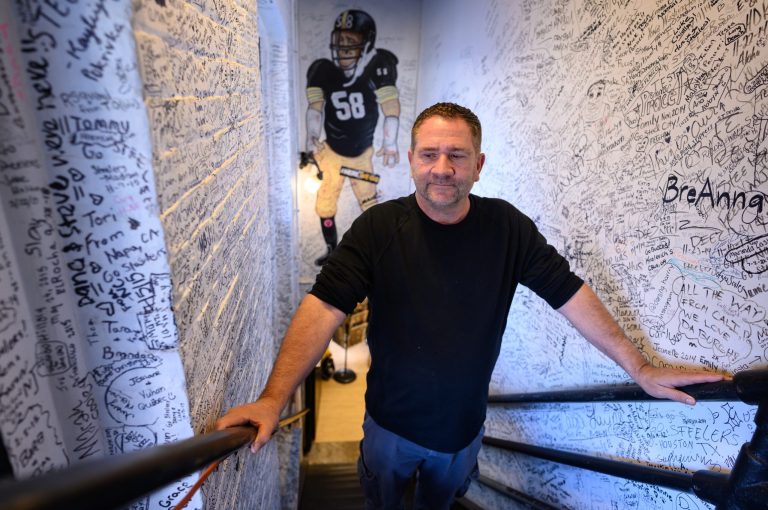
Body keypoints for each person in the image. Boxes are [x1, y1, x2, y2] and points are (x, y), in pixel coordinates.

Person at [217, 103, 726, 509]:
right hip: (387, 429)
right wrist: (273, 398)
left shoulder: (507, 228)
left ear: (478, 165)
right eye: (430, 154)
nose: (443, 168)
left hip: (463, 433)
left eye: (457, 155)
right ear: (413, 159)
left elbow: (569, 293)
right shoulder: (377, 229)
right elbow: (324, 305)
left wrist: (638, 366)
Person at [305, 9, 401, 266]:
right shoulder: (322, 70)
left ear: (367, 42)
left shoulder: (378, 66)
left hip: (361, 156)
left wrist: (390, 142)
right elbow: (315, 108)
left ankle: (377, 251)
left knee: (371, 205)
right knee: (324, 205)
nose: (344, 47)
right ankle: (331, 248)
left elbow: (390, 105)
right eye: (340, 40)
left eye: (351, 40)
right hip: (333, 153)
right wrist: (311, 137)